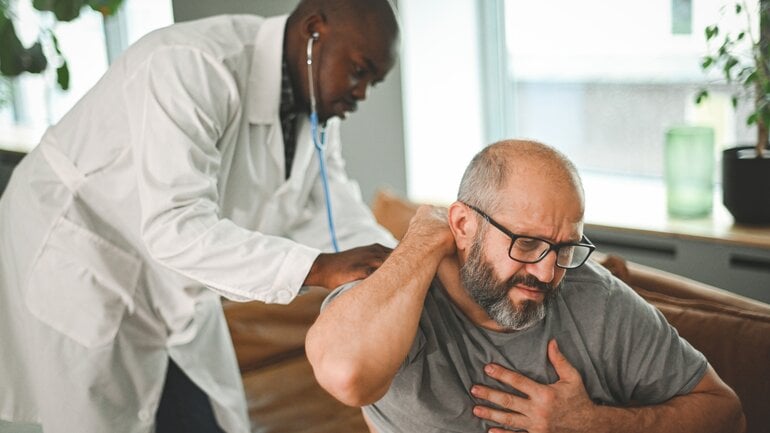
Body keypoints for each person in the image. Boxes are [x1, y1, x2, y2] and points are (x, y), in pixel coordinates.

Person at [0, 0, 400, 432]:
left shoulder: (315, 106)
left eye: (372, 82)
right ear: (314, 31)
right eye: (359, 71)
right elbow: (176, 227)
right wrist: (319, 267)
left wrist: (403, 267)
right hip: (83, 257)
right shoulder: (194, 65)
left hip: (171, 282)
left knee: (205, 417)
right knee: (102, 415)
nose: (361, 94)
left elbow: (330, 204)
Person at [306, 140, 746, 433]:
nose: (546, 271)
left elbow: (727, 413)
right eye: (528, 243)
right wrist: (422, 238)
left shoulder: (595, 298)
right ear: (462, 224)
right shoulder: (393, 298)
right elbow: (347, 377)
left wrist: (590, 423)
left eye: (566, 248)